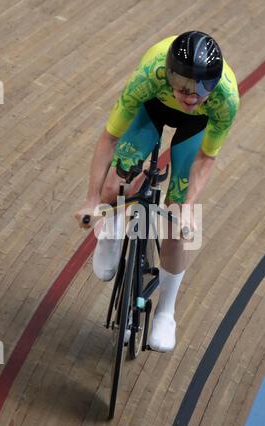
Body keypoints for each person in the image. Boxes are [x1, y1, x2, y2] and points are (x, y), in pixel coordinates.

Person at [74, 31, 239, 352]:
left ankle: (166, 312)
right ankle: (110, 230)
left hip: (196, 126)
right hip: (152, 108)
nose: (192, 95)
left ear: (215, 83)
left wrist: (187, 206)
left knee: (176, 224)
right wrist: (92, 201)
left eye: (204, 86)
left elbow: (206, 158)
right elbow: (109, 138)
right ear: (168, 72)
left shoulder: (224, 100)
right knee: (116, 185)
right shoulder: (149, 76)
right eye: (184, 85)